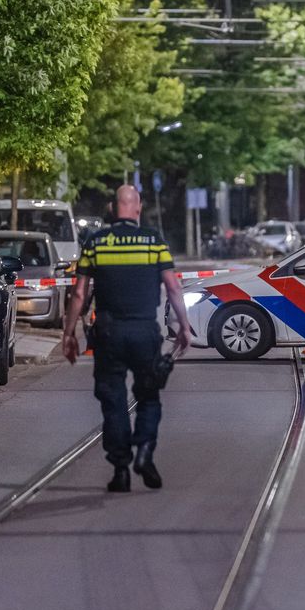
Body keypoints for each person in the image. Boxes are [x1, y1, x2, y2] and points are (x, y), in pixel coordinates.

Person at [62, 186, 190, 492]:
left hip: (108, 333)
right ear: (138, 208)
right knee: (149, 396)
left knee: (113, 401)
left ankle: (120, 469)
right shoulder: (153, 241)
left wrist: (68, 333)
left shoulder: (95, 243)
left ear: (112, 208)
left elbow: (80, 292)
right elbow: (172, 288)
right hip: (145, 332)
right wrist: (183, 326)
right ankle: (144, 450)